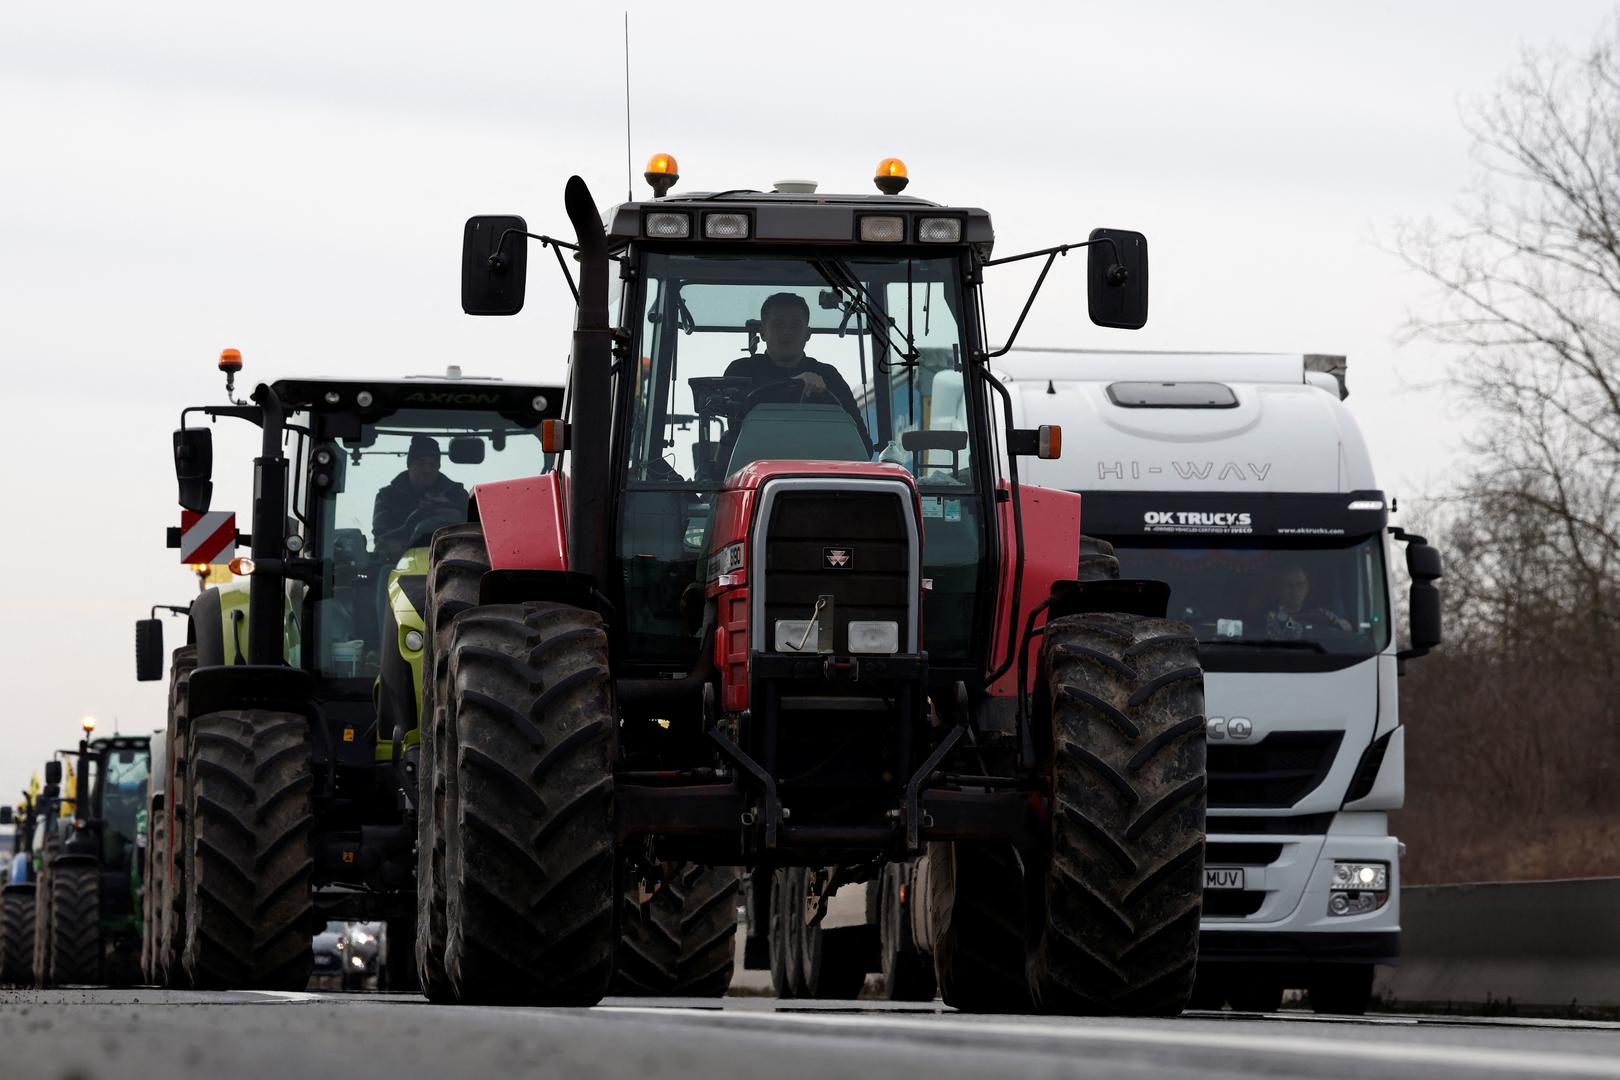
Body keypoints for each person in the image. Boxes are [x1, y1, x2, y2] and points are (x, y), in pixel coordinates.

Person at [723, 292, 869, 442]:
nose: (787, 332)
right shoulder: (741, 371)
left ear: (808, 334)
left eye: (795, 325)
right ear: (763, 332)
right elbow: (734, 418)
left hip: (816, 462)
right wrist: (795, 384)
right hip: (750, 461)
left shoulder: (829, 376)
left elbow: (862, 444)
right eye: (778, 325)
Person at [372, 435, 469, 558]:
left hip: (451, 558)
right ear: (410, 465)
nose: (427, 469)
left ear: (438, 467)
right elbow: (381, 535)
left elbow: (474, 531)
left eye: (432, 464)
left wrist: (450, 511)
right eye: (421, 463)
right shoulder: (387, 496)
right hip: (399, 562)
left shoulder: (457, 495)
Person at [1262, 563, 1352, 637]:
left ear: (1307, 587)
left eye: (1300, 584)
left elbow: (1347, 629)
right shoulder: (1268, 617)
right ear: (1280, 588)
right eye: (1289, 585)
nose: (1295, 590)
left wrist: (1336, 622)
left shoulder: (1318, 614)